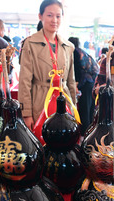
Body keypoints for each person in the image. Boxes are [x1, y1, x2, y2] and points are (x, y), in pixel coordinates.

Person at [18, 0, 77, 130]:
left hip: (63, 99)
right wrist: (26, 113)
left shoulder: (68, 47)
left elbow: (71, 81)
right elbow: (24, 81)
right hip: (40, 100)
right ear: (40, 16)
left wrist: (74, 108)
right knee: (41, 138)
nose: (54, 20)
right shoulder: (30, 44)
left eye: (58, 16)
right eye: (49, 15)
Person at [68, 37, 99, 135]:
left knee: (84, 109)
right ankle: (90, 132)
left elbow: (76, 70)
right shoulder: (82, 51)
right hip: (91, 82)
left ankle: (84, 134)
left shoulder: (74, 52)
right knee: (90, 109)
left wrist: (75, 84)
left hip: (85, 83)